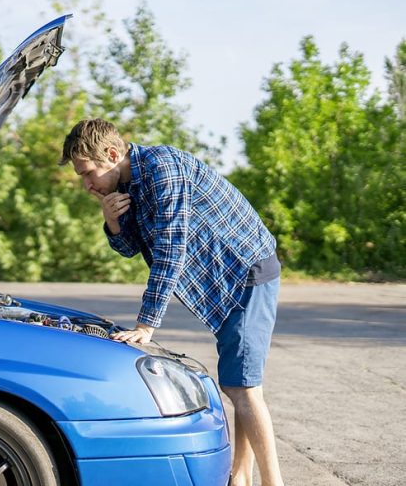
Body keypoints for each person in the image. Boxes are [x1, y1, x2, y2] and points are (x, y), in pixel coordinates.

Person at [60, 118, 284, 486]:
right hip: (224, 282)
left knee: (244, 388)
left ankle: (273, 483)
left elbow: (170, 252)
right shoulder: (127, 184)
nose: (86, 185)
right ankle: (241, 477)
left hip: (246, 272)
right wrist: (112, 222)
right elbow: (132, 248)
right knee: (237, 382)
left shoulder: (163, 169)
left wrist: (146, 325)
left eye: (88, 173)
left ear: (112, 154)